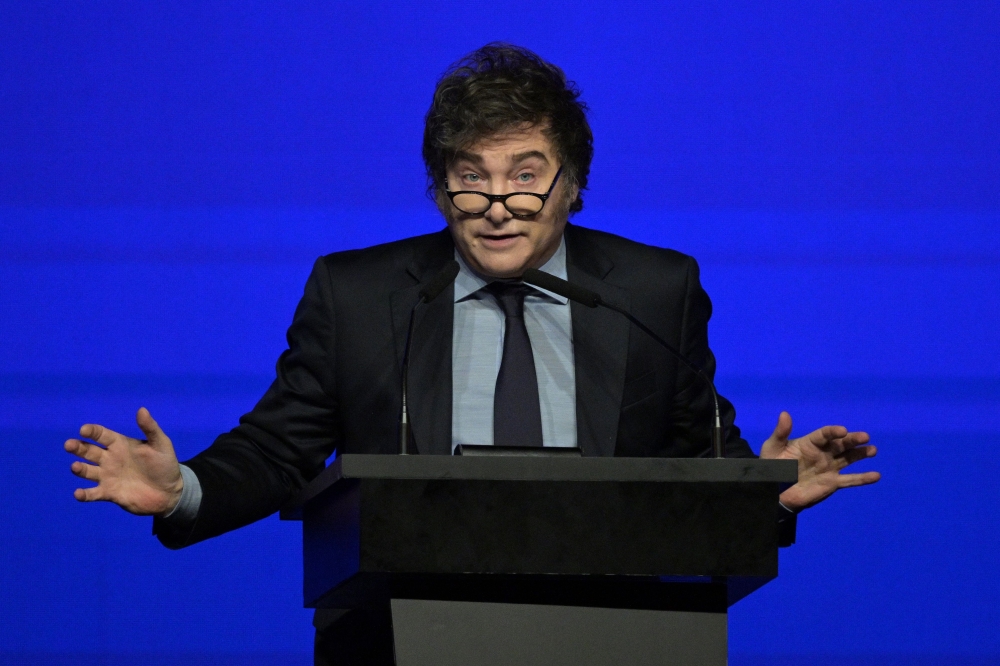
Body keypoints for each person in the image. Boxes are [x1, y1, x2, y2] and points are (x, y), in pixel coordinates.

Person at [64, 42, 880, 658]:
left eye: (526, 175)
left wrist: (766, 490)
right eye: (469, 176)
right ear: (438, 185)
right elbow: (281, 446)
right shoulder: (359, 294)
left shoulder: (651, 289)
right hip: (397, 636)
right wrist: (187, 490)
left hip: (620, 636)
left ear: (573, 183)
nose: (497, 205)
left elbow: (697, 459)